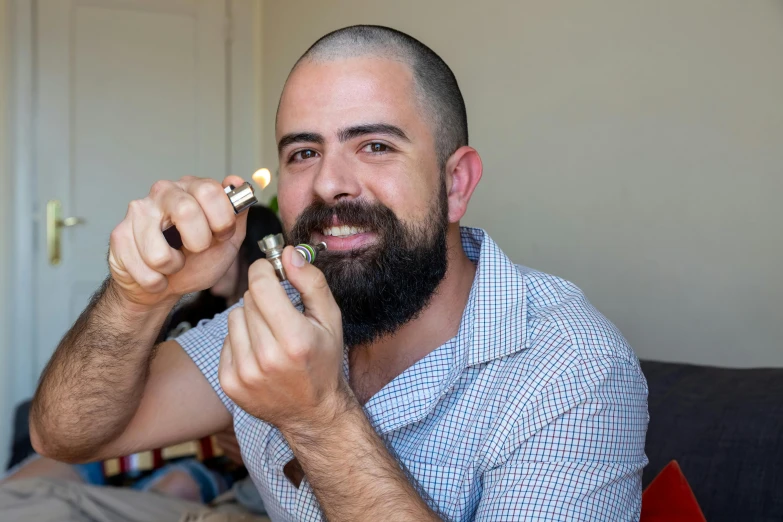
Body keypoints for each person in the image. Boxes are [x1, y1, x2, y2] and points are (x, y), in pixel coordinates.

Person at [27, 25, 648, 521]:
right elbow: (65, 436)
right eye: (304, 152)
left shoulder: (570, 367)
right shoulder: (281, 312)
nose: (329, 183)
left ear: (455, 184)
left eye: (375, 145)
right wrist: (140, 296)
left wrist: (316, 416)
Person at [3, 205, 281, 516]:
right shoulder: (189, 317)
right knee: (18, 489)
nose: (217, 258)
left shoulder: (274, 327)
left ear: (254, 252)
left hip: (207, 461)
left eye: (230, 250)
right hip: (133, 447)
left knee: (173, 487)